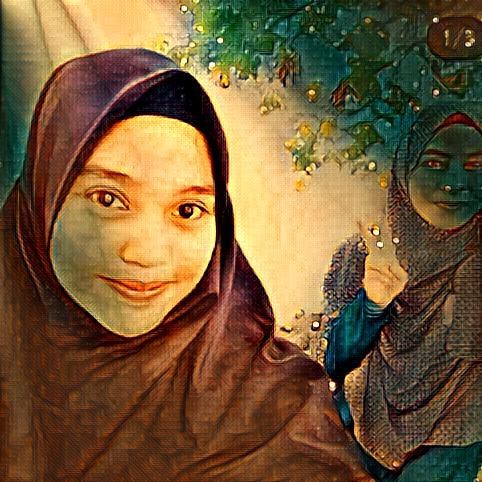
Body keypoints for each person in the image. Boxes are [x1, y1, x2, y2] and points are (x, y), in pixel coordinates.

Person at [0, 49, 370, 481]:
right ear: (44, 196)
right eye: (108, 199)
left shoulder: (275, 411)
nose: (145, 254)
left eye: (188, 210)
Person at [320, 103, 482, 481]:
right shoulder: (364, 253)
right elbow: (333, 361)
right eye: (436, 164)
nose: (456, 183)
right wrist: (372, 304)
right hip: (363, 424)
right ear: (406, 171)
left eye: (475, 167)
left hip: (456, 432)